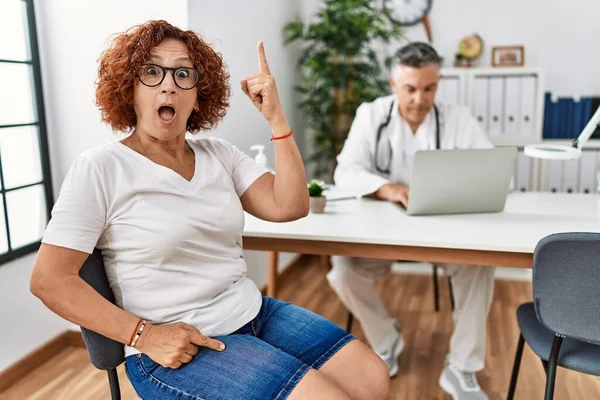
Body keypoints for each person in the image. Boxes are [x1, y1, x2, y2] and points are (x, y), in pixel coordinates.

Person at [30, 20, 389, 400]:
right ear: (129, 88)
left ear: (198, 95)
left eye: (183, 73)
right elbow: (49, 280)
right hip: (176, 345)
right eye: (151, 71)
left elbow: (290, 205)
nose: (168, 84)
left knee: (372, 379)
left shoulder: (220, 154)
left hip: (253, 311)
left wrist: (277, 118)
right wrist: (144, 335)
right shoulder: (100, 168)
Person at [326, 42, 495, 400]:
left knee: (479, 267)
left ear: (439, 82)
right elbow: (346, 171)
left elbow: (493, 173)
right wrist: (389, 188)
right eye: (410, 88)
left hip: (445, 234)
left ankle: (462, 368)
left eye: (429, 88)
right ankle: (387, 339)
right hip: (383, 234)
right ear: (392, 83)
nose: (420, 98)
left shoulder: (458, 118)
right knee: (343, 270)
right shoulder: (371, 115)